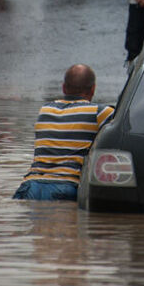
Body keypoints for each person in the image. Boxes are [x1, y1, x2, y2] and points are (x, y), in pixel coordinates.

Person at [13, 64, 114, 200]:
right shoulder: (100, 112)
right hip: (66, 187)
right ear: (93, 89)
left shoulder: (45, 110)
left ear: (64, 87)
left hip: (30, 185)